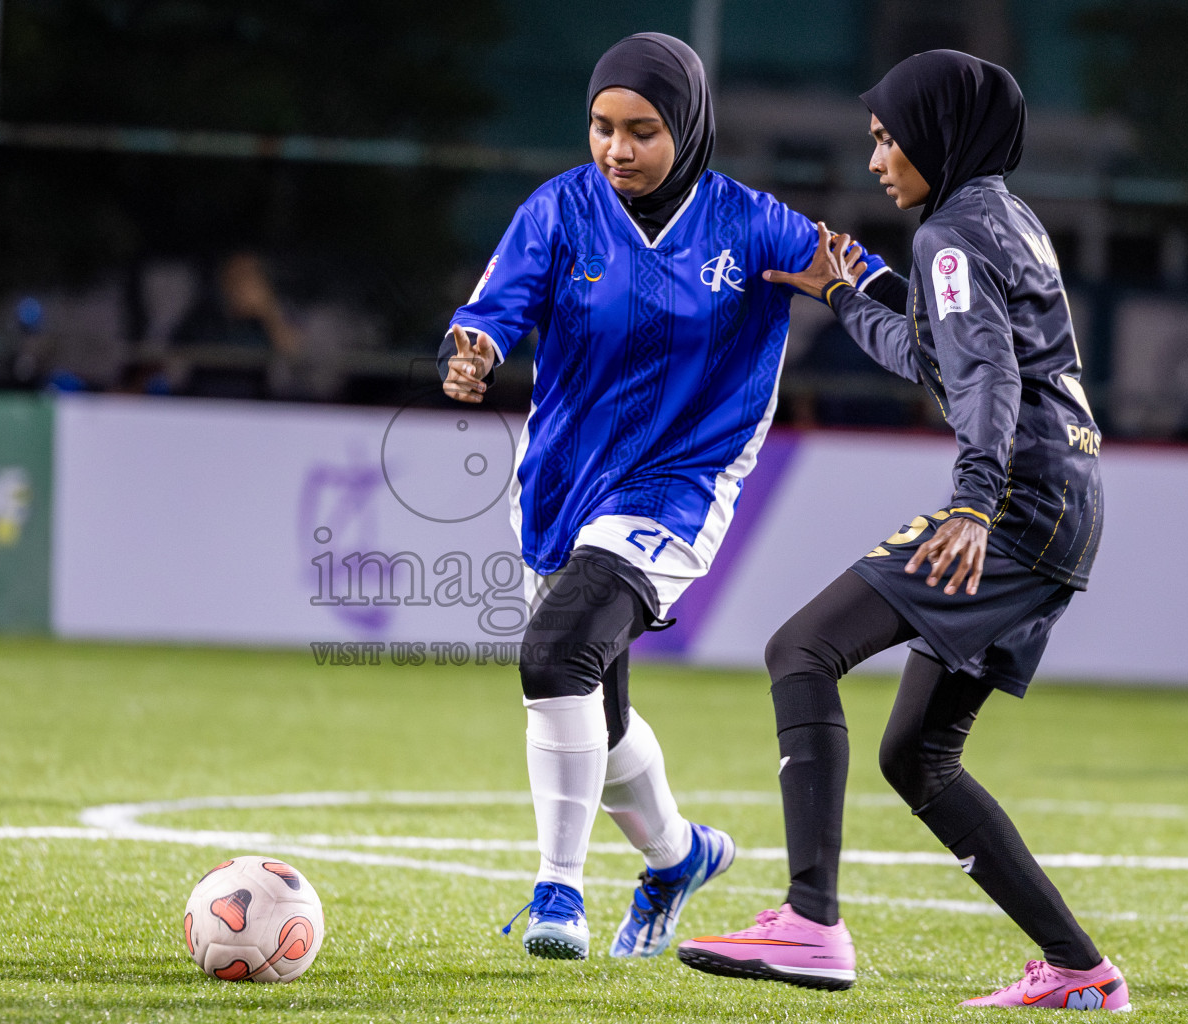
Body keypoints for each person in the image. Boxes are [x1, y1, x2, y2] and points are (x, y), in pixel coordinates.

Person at [675, 51, 1131, 1012]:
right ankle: (1080, 972)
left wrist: (973, 500)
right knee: (916, 756)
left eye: (889, 137)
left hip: (1013, 504)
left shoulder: (952, 241)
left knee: (800, 648)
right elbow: (944, 355)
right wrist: (845, 293)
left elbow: (987, 382)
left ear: (937, 135)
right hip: (1067, 504)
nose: (877, 157)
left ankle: (809, 924)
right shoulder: (1001, 217)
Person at [440, 33, 900, 961]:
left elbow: (857, 269)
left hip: (684, 485)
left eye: (642, 130)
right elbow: (495, 307)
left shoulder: (752, 223)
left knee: (555, 653)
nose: (617, 149)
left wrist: (905, 303)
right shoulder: (560, 209)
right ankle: (679, 855)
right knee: (593, 711)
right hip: (563, 482)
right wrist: (476, 350)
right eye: (603, 128)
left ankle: (556, 894)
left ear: (686, 128)